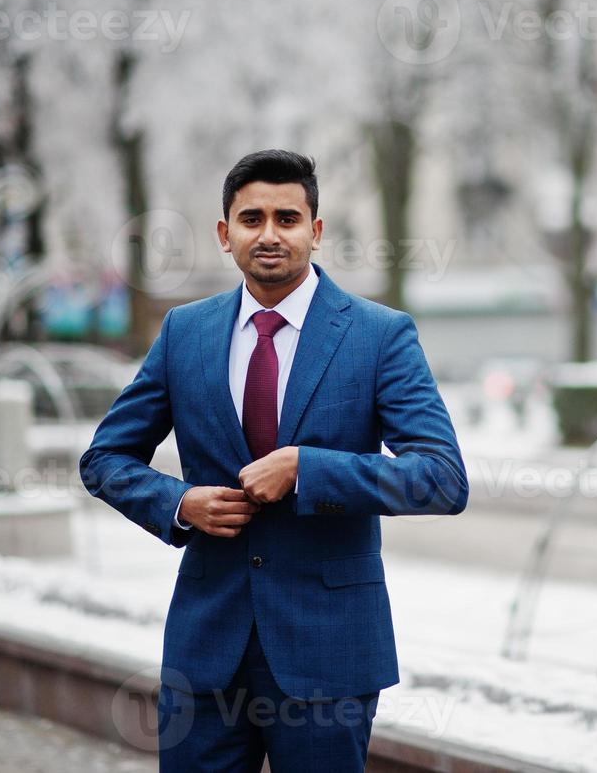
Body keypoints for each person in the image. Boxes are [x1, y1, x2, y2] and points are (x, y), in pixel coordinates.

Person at [79, 149, 469, 772]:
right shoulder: (186, 333)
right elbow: (104, 458)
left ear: (314, 232)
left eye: (287, 218)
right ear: (223, 233)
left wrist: (305, 468)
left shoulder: (378, 335)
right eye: (251, 218)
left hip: (328, 653)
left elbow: (441, 479)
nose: (269, 234)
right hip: (207, 652)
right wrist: (178, 503)